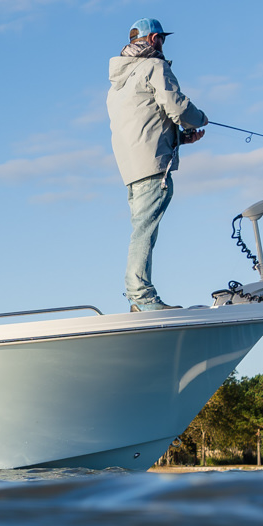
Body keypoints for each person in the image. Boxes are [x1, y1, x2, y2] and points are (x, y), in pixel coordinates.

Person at [106, 17, 207, 312]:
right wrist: (200, 119)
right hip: (152, 166)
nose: (163, 44)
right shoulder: (154, 67)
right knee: (144, 230)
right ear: (153, 39)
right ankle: (141, 297)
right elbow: (177, 106)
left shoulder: (116, 86)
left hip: (130, 168)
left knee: (141, 228)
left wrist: (180, 139)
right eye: (162, 38)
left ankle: (138, 298)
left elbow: (144, 124)